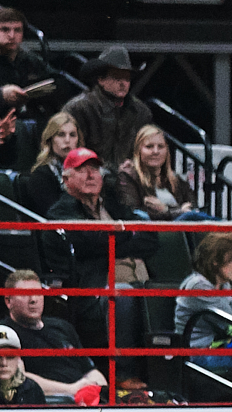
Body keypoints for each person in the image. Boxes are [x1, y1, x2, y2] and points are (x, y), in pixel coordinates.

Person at [38, 147, 158, 347]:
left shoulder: (113, 206)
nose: (90, 175)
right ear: (66, 179)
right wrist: (126, 236)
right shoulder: (60, 212)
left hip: (137, 277)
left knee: (163, 295)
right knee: (122, 296)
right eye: (82, 169)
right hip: (90, 287)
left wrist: (115, 240)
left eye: (94, 169)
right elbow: (90, 241)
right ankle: (123, 373)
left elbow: (150, 239)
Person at [176, 230, 232, 393]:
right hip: (196, 354)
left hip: (217, 346)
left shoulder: (223, 284)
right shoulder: (198, 286)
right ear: (215, 261)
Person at [0, 267, 101, 398]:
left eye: (37, 293)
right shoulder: (4, 333)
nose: (33, 299)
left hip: (85, 396)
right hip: (48, 403)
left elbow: (89, 369)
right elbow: (17, 378)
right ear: (8, 301)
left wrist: (100, 387)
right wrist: (71, 390)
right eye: (25, 294)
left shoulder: (62, 326)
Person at [59, 45, 151, 178]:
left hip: (129, 179)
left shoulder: (140, 112)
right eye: (117, 77)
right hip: (87, 176)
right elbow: (69, 153)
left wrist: (134, 165)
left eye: (127, 78)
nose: (123, 83)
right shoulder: (79, 109)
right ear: (101, 80)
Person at [114, 123, 196, 219]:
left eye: (160, 146)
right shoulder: (127, 177)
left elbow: (193, 210)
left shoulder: (178, 180)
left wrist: (165, 210)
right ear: (138, 150)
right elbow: (133, 214)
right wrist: (176, 211)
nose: (156, 151)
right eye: (149, 146)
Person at [25, 110, 78, 213]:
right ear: (50, 140)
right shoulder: (40, 176)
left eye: (72, 135)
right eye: (61, 135)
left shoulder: (87, 172)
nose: (67, 140)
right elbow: (53, 214)